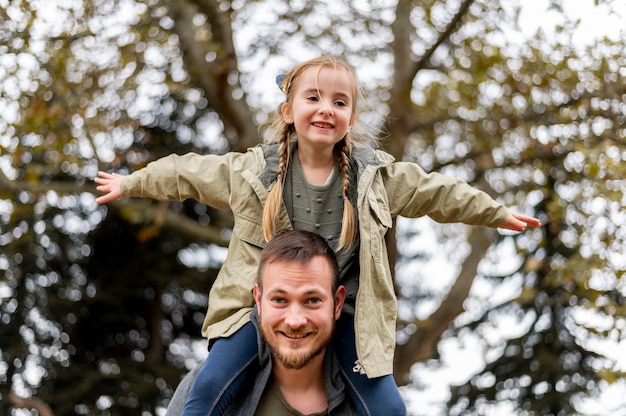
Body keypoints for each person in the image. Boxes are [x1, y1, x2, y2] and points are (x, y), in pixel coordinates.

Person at [94, 55, 541, 416]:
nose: (326, 108)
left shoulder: (375, 177)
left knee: (386, 406)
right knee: (209, 387)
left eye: (339, 102)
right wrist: (131, 183)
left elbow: (437, 192)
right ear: (288, 111)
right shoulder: (252, 171)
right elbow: (187, 172)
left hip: (340, 313)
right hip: (256, 309)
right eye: (313, 97)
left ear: (351, 116)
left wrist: (494, 212)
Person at [167, 230, 358, 415]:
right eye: (279, 300)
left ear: (338, 303)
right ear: (258, 300)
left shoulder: (372, 400)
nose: (295, 321)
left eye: (312, 300)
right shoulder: (201, 390)